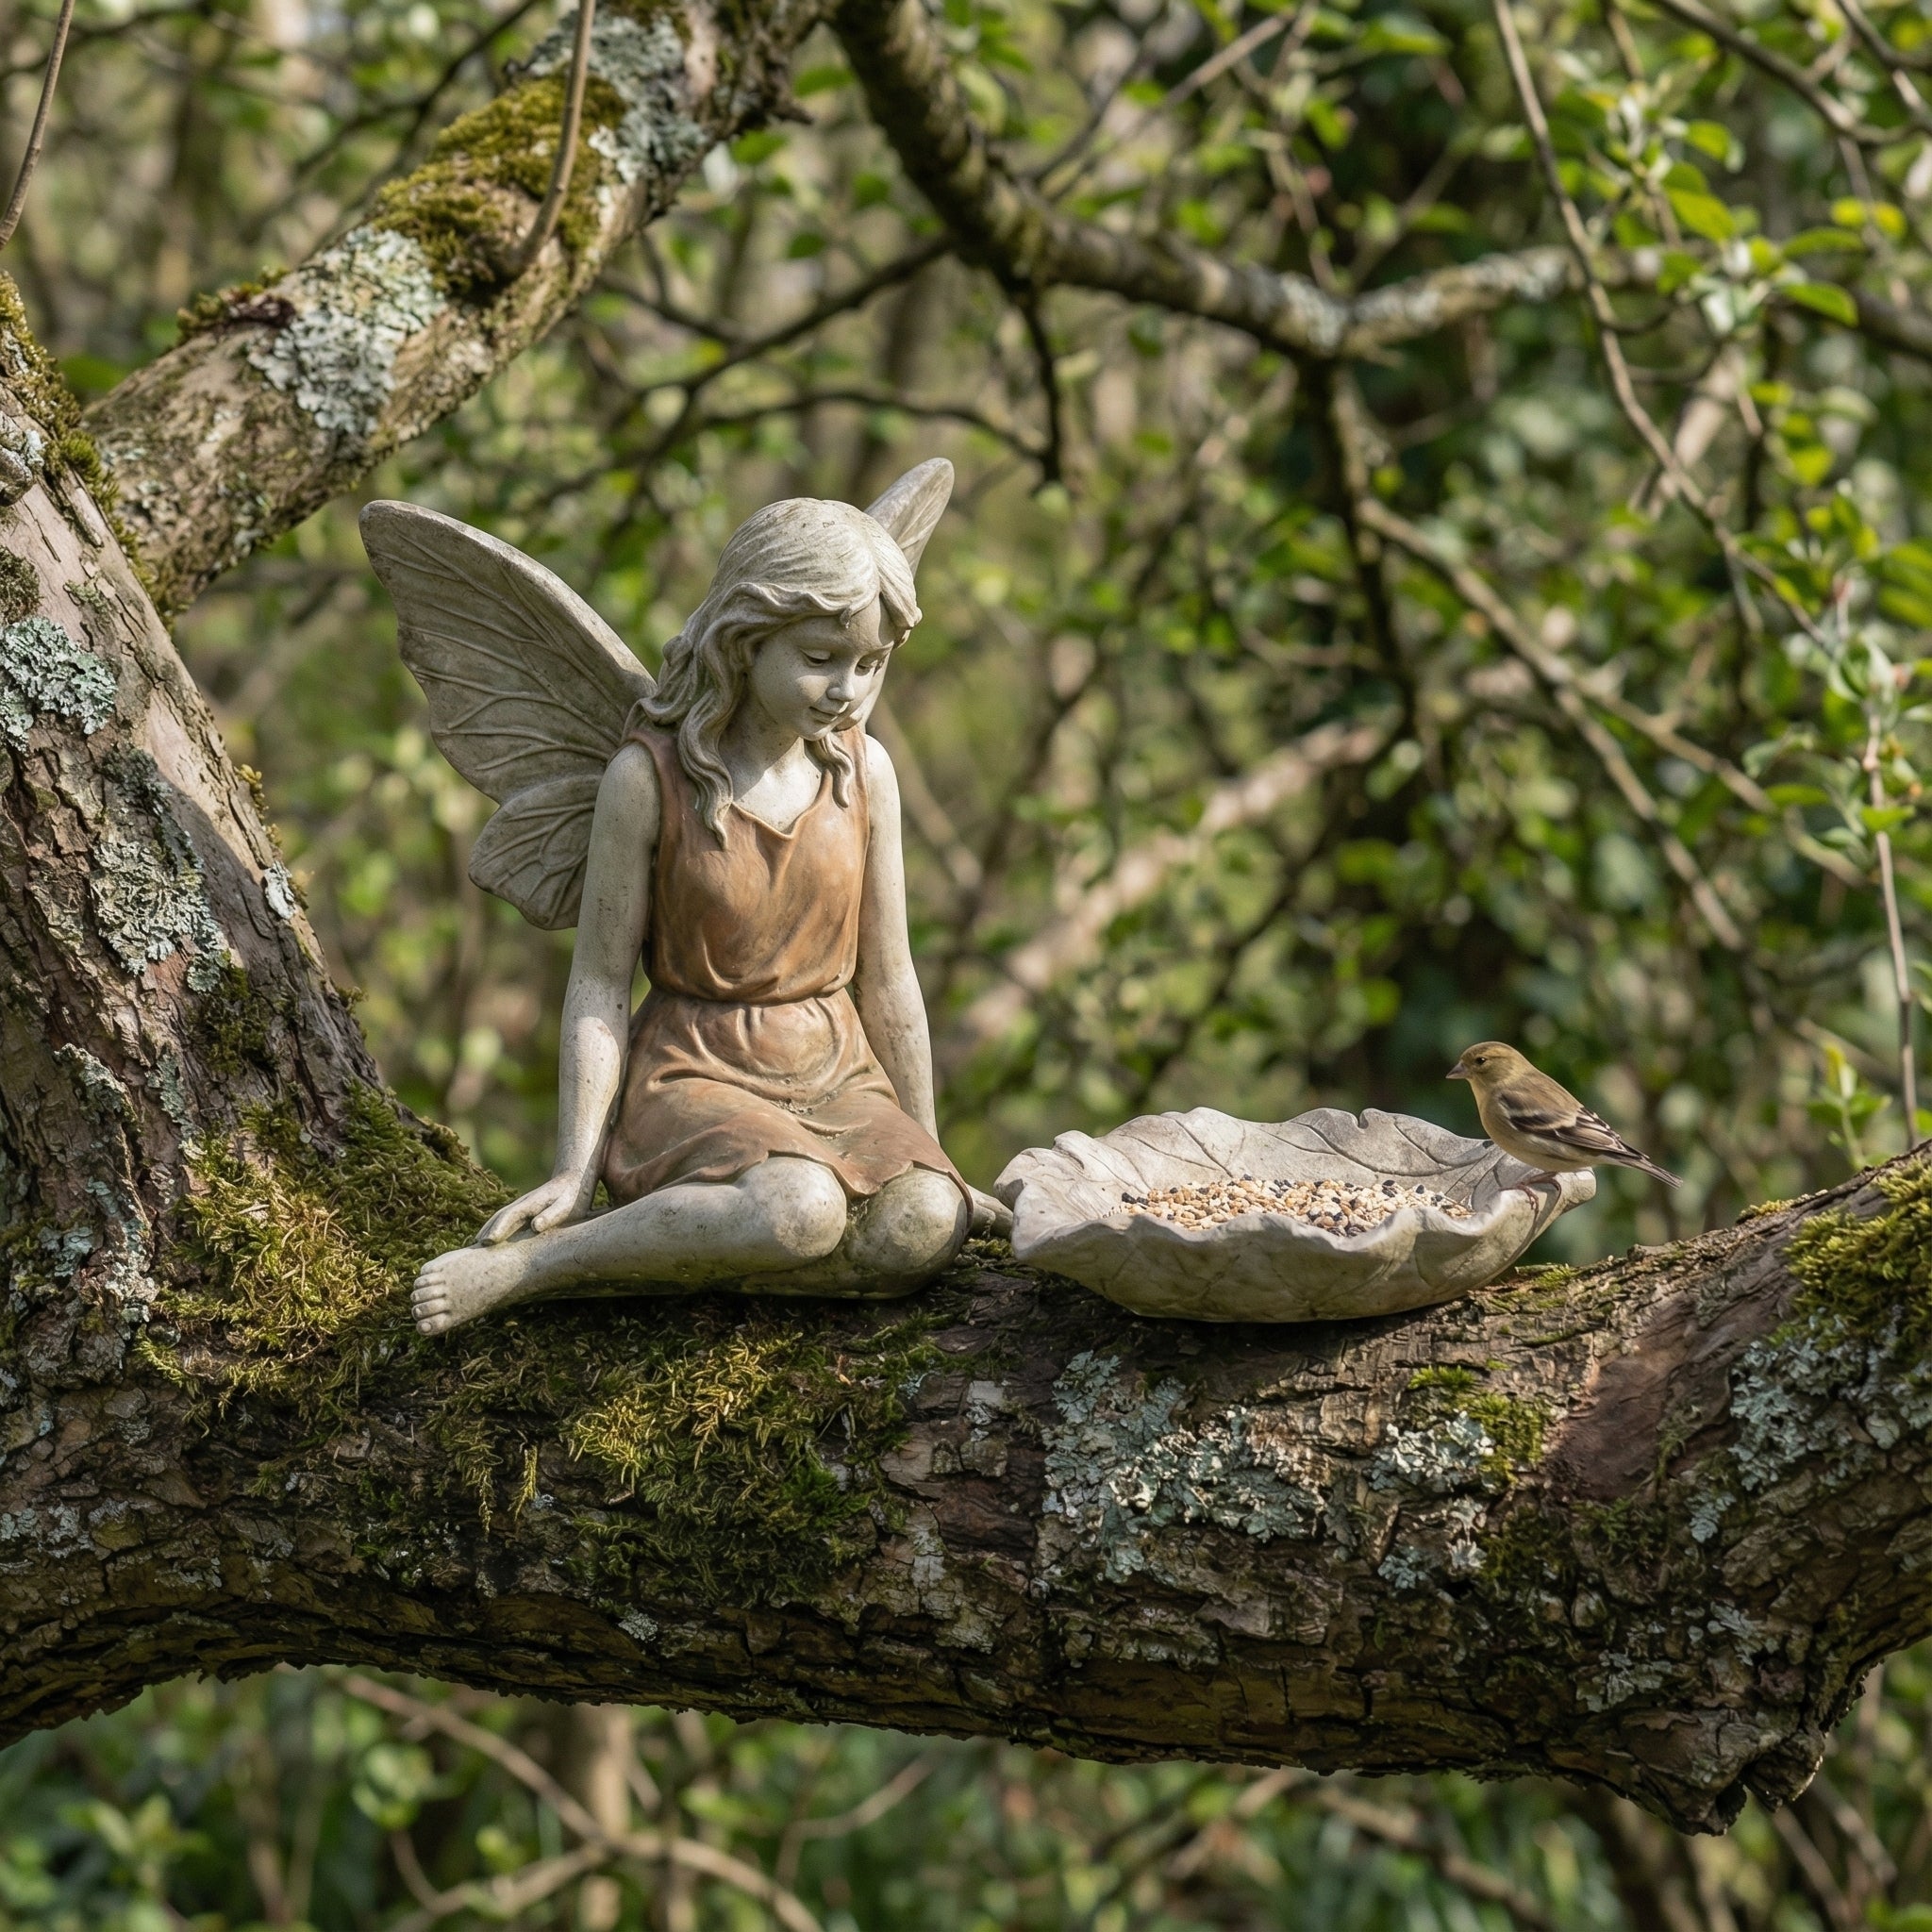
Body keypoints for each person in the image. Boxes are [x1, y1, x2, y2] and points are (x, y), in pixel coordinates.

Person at [410, 484, 991, 1336]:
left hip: (834, 1066)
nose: (847, 691)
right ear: (744, 640)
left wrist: (931, 1150)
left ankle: (717, 1262)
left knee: (926, 1222)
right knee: (798, 1208)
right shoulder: (648, 781)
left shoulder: (865, 775)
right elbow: (600, 985)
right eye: (823, 658)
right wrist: (572, 1172)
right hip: (696, 1068)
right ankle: (538, 1271)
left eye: (870, 665)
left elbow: (890, 976)